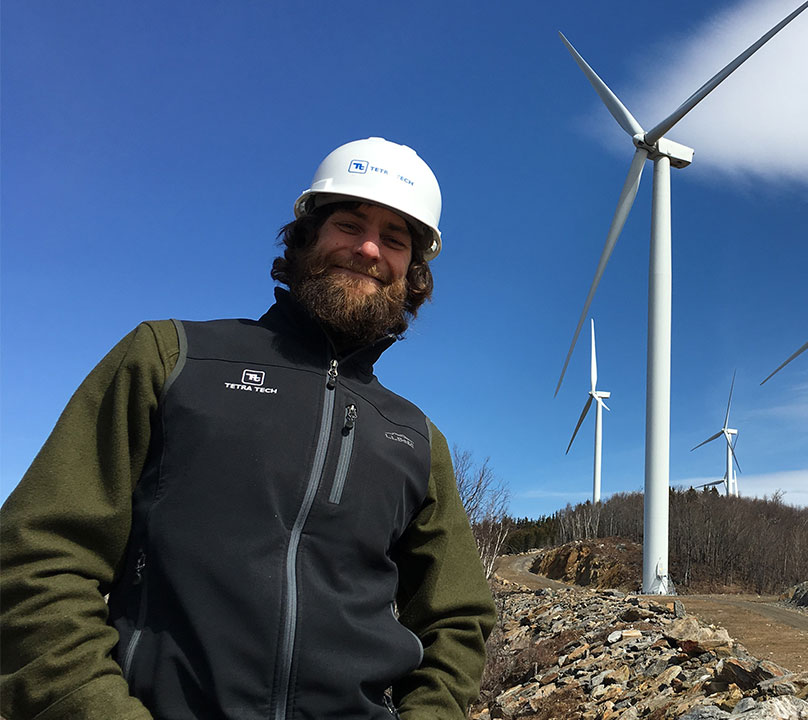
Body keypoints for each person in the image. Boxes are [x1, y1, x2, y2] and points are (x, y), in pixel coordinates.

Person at [0, 137, 497, 720]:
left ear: (411, 271)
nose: (368, 249)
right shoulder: (171, 358)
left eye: (394, 238)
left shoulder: (415, 438)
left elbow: (456, 617)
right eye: (349, 223)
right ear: (306, 234)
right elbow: (39, 560)